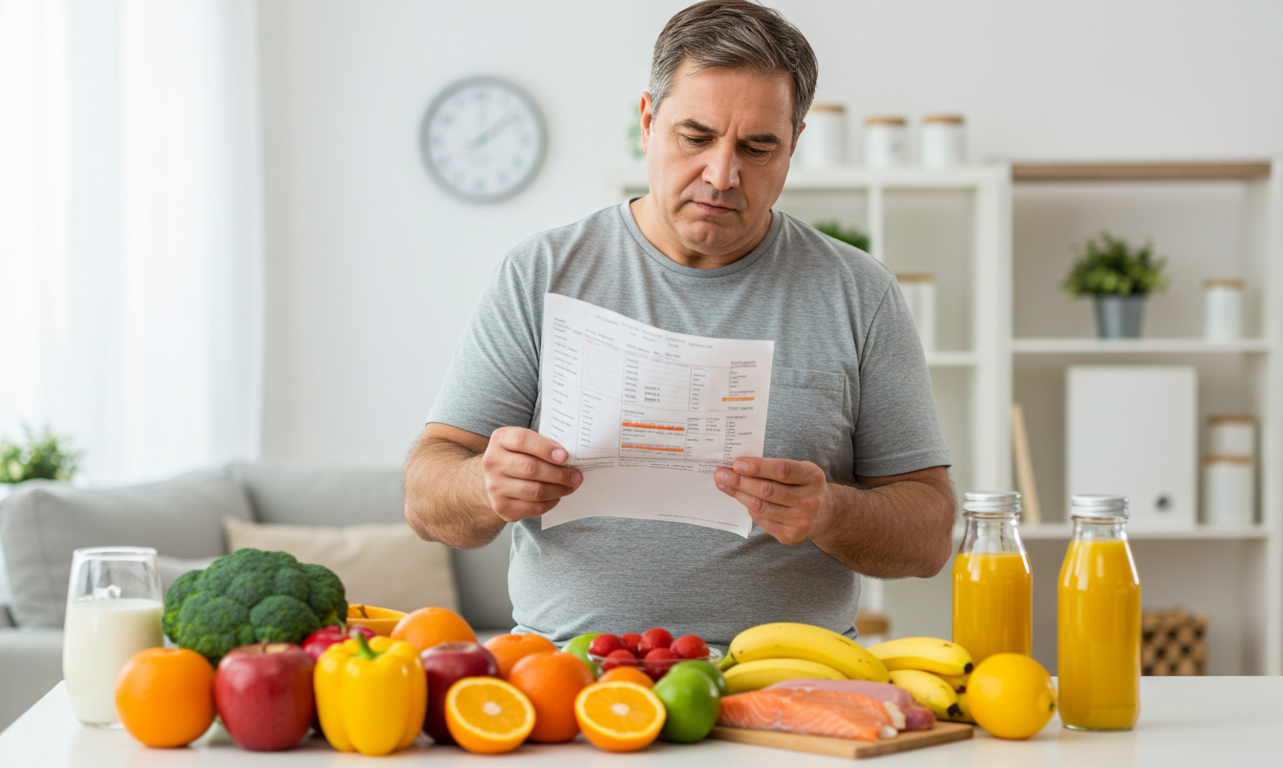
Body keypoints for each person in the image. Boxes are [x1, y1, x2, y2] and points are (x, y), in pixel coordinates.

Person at [403, 0, 955, 645]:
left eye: (757, 147)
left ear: (795, 145)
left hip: (788, 686)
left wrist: (830, 510)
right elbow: (426, 497)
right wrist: (483, 483)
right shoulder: (541, 272)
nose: (722, 176)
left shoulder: (859, 291)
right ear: (647, 120)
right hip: (569, 679)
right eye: (695, 137)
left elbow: (928, 536)